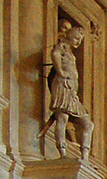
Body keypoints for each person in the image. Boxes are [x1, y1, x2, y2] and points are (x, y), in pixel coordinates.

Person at [39, 23, 93, 161]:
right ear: (68, 35)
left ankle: (84, 157)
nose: (78, 42)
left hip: (71, 91)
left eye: (80, 40)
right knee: (62, 119)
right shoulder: (61, 47)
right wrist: (60, 71)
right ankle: (62, 153)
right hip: (62, 86)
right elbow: (55, 54)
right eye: (76, 38)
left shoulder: (70, 52)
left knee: (88, 124)